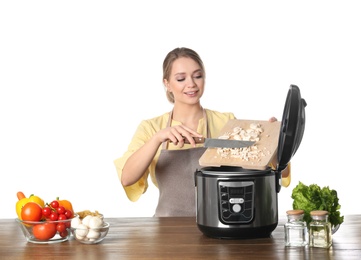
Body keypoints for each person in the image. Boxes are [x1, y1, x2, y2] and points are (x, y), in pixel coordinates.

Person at [114, 47, 290, 217]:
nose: (191, 84)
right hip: (166, 230)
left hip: (219, 224)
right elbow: (127, 178)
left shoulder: (227, 123)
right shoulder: (151, 128)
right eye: (181, 79)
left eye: (197, 76)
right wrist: (157, 139)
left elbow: (273, 171)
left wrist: (272, 139)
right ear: (167, 84)